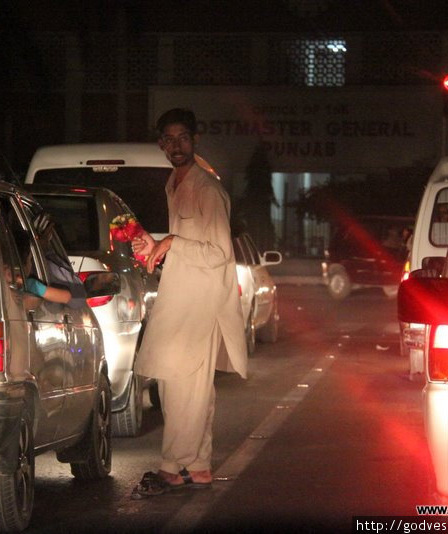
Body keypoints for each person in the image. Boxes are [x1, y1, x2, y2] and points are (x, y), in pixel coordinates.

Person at [130, 108, 247, 497]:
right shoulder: (174, 182)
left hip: (201, 302)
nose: (176, 146)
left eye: (183, 138)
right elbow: (185, 241)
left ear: (195, 140)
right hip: (180, 298)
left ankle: (172, 467)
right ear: (162, 143)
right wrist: (158, 245)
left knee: (184, 387)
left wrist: (172, 244)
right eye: (169, 139)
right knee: (183, 385)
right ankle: (197, 467)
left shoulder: (207, 188)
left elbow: (217, 253)